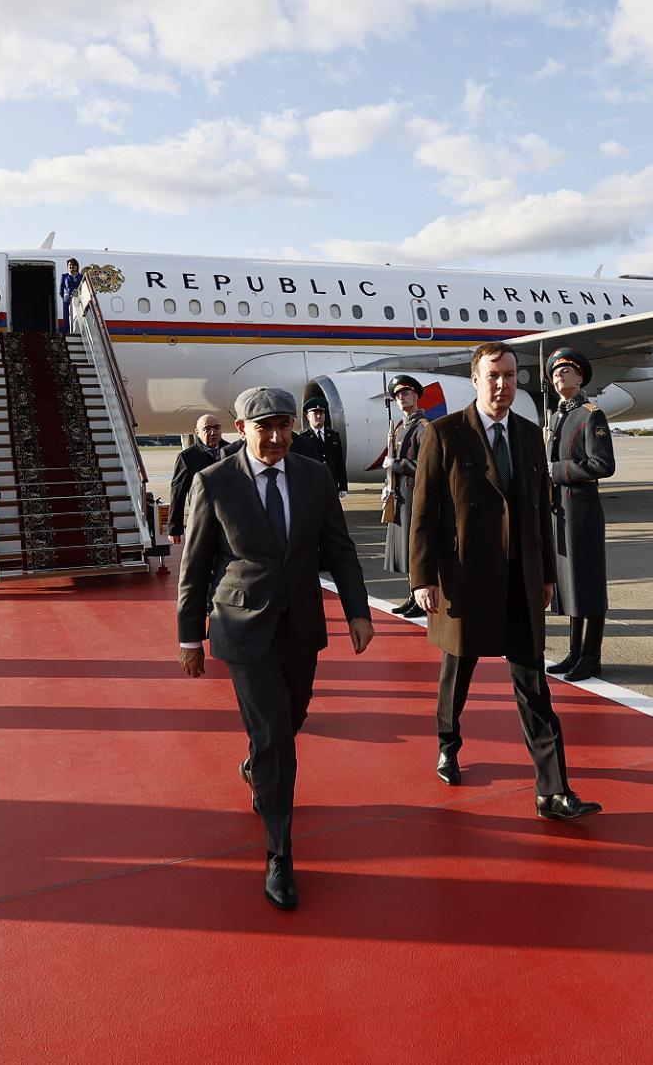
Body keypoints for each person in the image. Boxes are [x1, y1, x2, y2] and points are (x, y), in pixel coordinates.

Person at [176, 386, 374, 910]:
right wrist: (189, 635)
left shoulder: (314, 476)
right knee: (275, 738)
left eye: (284, 425)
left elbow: (339, 547)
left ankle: (257, 766)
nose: (277, 436)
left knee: (292, 717)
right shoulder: (214, 482)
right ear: (241, 429)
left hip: (302, 623)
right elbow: (195, 566)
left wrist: (357, 611)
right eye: (264, 427)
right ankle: (279, 854)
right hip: (242, 626)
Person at [410, 342, 601, 820]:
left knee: (534, 685)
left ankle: (552, 790)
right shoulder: (445, 433)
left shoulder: (528, 434)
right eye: (493, 376)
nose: (502, 385)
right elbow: (424, 512)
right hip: (464, 578)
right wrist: (423, 578)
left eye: (510, 376)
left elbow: (539, 512)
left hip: (520, 578)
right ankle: (448, 743)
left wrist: (548, 576)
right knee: (458, 673)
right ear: (475, 380)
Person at [543, 348, 616, 681]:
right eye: (555, 373)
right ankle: (575, 652)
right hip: (561, 510)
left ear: (580, 377)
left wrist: (557, 470)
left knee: (588, 583)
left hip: (582, 510)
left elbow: (603, 465)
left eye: (566, 371)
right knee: (571, 582)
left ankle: (591, 656)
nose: (559, 376)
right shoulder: (557, 417)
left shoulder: (591, 415)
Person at [382, 375, 428, 618]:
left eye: (406, 393)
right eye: (398, 395)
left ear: (416, 396)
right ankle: (412, 595)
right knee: (407, 550)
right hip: (400, 496)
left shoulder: (423, 428)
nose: (401, 397)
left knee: (415, 549)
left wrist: (397, 464)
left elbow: (426, 467)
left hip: (414, 497)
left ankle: (420, 598)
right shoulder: (401, 427)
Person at [167, 414, 234, 545]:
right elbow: (178, 494)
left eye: (216, 428)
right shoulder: (187, 457)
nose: (213, 432)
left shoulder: (233, 452)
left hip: (231, 519)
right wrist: (174, 529)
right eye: (207, 429)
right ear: (197, 432)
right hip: (202, 519)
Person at [291, 397, 348, 496]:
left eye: (321, 413)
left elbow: (339, 463)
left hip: (331, 485)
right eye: (315, 413)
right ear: (308, 416)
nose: (318, 416)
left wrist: (343, 486)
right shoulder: (302, 438)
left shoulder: (333, 435)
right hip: (311, 487)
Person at [59, 258, 83, 330]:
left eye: (73, 265)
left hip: (78, 300)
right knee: (67, 317)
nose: (71, 266)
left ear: (77, 266)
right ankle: (67, 331)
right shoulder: (64, 276)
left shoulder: (81, 277)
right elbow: (61, 291)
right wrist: (65, 298)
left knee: (78, 315)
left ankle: (79, 329)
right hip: (67, 301)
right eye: (69, 265)